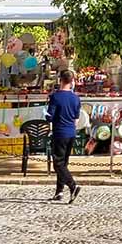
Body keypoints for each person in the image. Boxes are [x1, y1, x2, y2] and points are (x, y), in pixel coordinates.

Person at [45, 69, 82, 203]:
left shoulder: (55, 97)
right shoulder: (76, 98)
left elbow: (50, 117)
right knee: (64, 163)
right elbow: (76, 119)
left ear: (60, 80)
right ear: (72, 81)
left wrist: (47, 116)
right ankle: (59, 191)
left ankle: (73, 185)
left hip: (59, 132)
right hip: (71, 132)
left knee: (58, 164)